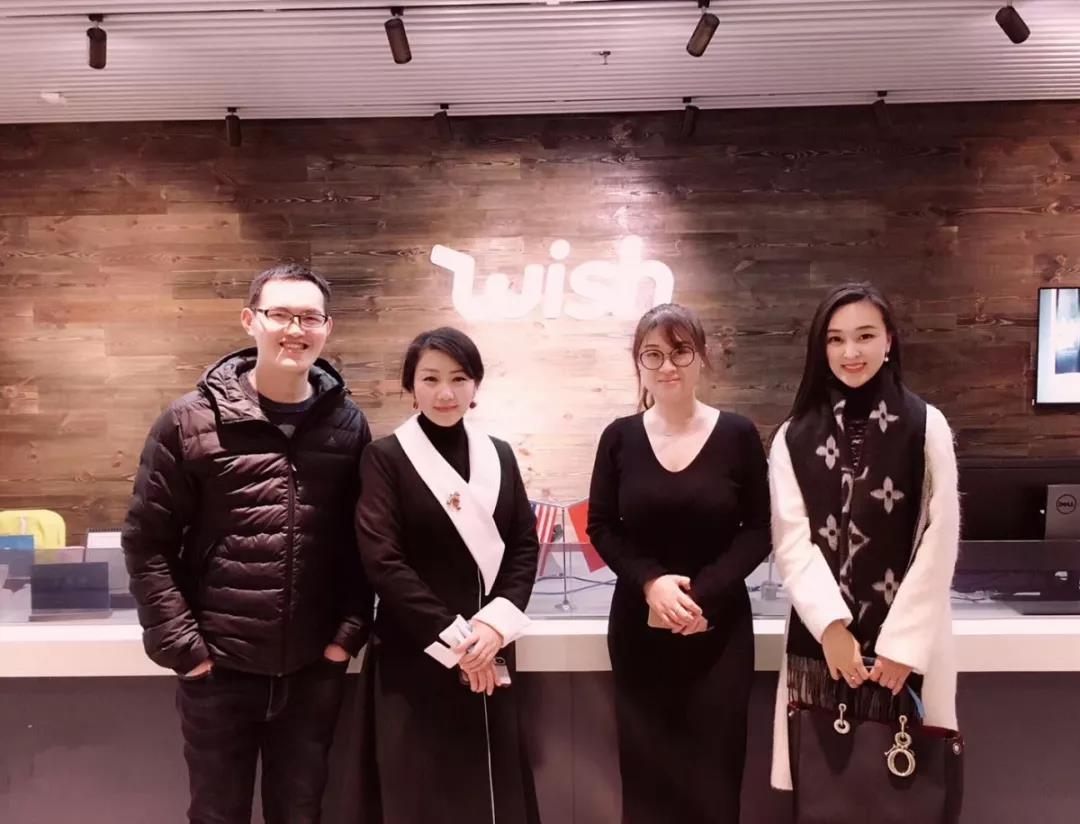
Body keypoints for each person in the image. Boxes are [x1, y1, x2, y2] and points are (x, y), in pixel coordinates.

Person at [122, 263, 373, 824]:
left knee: (301, 813)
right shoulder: (189, 421)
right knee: (217, 815)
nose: (295, 329)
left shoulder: (348, 425)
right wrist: (186, 651)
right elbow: (146, 542)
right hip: (218, 671)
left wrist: (345, 637)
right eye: (280, 314)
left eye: (309, 317)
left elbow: (360, 542)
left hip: (311, 670)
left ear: (327, 328)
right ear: (249, 320)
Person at [768, 282, 960, 792]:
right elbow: (792, 541)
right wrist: (831, 628)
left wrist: (902, 645)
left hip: (910, 649)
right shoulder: (792, 436)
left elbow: (941, 537)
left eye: (865, 335)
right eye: (835, 339)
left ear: (889, 341)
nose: (850, 352)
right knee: (827, 790)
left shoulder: (926, 426)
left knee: (907, 792)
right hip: (822, 647)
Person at [587, 303, 771, 823]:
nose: (667, 365)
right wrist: (651, 583)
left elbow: (760, 529)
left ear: (701, 357)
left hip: (719, 633)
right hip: (639, 631)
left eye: (680, 351)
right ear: (639, 364)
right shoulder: (619, 437)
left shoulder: (737, 434)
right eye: (653, 354)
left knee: (714, 786)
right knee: (648, 787)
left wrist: (702, 594)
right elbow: (601, 525)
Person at [354, 326, 540, 824]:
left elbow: (525, 547)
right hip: (416, 651)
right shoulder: (385, 458)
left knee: (494, 791)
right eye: (430, 378)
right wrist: (459, 642)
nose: (445, 392)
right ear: (410, 386)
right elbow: (383, 561)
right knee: (420, 794)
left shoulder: (499, 455)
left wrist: (492, 628)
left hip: (491, 646)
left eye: (459, 378)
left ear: (475, 385)